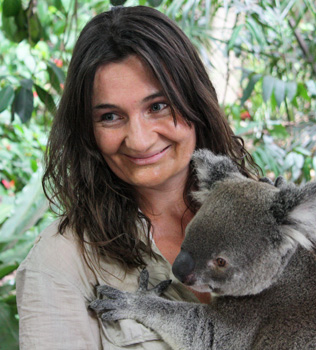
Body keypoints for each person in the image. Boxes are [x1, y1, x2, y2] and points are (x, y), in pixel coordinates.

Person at [16, 5, 260, 349]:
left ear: (196, 102)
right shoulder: (61, 261)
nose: (140, 139)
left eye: (158, 106)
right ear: (88, 130)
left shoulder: (264, 215)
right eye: (111, 116)